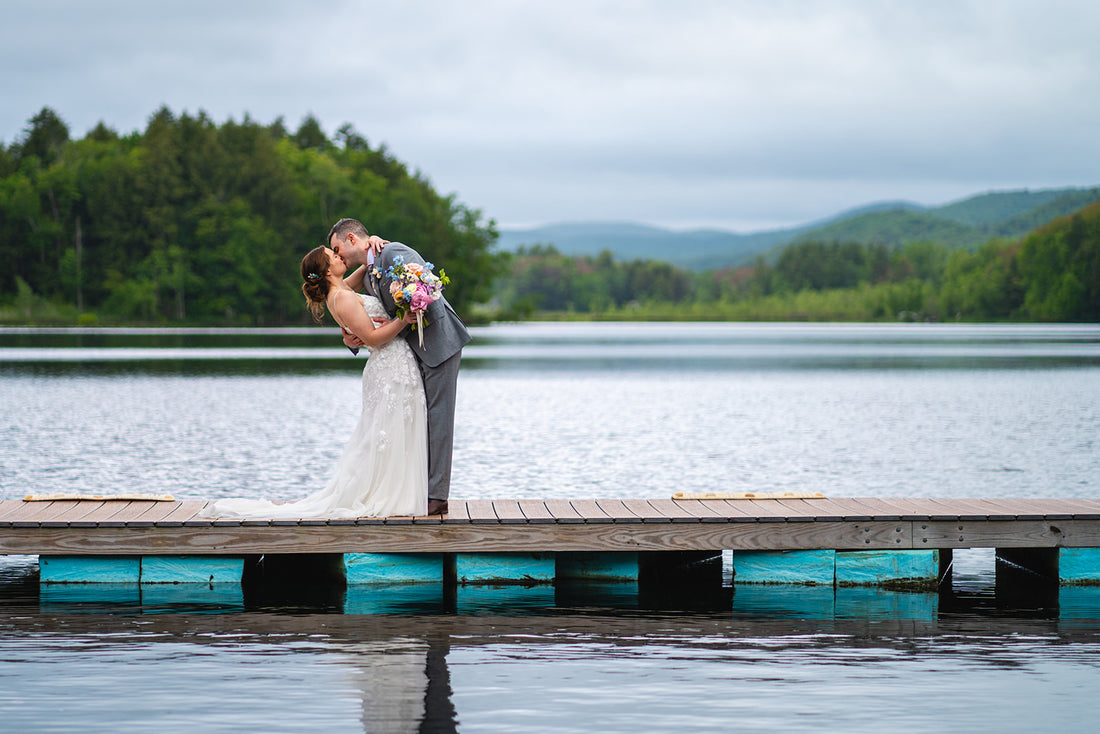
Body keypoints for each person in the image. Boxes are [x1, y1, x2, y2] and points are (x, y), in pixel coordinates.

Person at [200, 246, 426, 519]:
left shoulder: (341, 290)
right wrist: (403, 319)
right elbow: (373, 339)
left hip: (394, 367)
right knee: (387, 433)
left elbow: (366, 268)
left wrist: (374, 246)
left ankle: (395, 493)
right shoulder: (342, 297)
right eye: (333, 256)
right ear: (328, 271)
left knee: (391, 432)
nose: (339, 256)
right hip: (389, 368)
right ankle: (388, 496)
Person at [329, 218, 470, 516]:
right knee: (418, 420)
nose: (337, 256)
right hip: (406, 352)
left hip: (438, 344)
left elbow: (427, 291)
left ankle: (437, 497)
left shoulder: (393, 253)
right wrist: (348, 336)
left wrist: (397, 321)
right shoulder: (369, 271)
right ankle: (417, 489)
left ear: (352, 239)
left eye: (337, 248)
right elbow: (343, 301)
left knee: (439, 419)